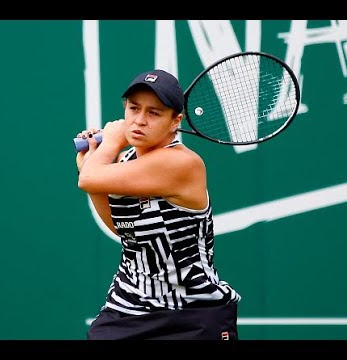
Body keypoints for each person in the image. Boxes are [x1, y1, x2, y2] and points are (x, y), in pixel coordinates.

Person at [76, 69, 241, 340]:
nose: (139, 120)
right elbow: (124, 230)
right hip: (128, 308)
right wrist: (95, 173)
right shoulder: (127, 162)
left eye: (153, 113)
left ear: (175, 121)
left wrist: (109, 145)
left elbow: (89, 178)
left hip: (192, 316)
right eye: (134, 108)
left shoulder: (181, 163)